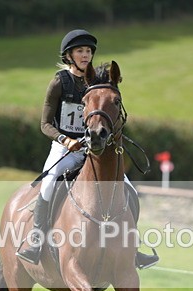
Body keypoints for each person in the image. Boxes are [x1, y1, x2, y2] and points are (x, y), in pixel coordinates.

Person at [16, 29, 159, 270]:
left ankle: (133, 248)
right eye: (80, 51)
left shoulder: (97, 82)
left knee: (129, 189)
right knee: (50, 183)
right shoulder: (59, 83)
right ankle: (36, 242)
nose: (86, 55)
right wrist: (65, 140)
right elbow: (45, 124)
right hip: (65, 148)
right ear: (69, 55)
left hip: (96, 148)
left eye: (89, 51)